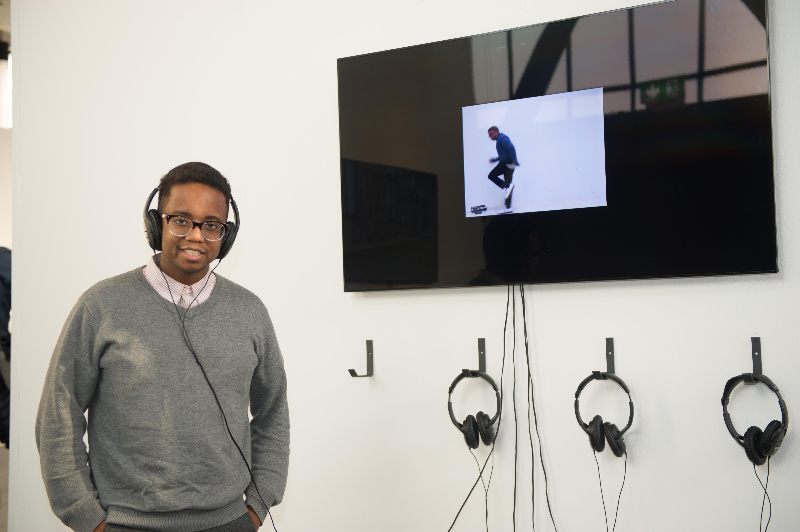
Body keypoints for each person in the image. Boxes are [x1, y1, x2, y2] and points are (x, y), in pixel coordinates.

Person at [36, 163, 290, 532]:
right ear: (156, 224)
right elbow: (58, 414)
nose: (196, 236)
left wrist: (258, 503)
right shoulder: (101, 305)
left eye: (211, 225)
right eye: (181, 220)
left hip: (230, 521)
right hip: (125, 523)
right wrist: (87, 517)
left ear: (226, 235)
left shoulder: (249, 311)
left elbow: (274, 411)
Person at [487, 126, 519, 213]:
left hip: (506, 164)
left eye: (490, 134)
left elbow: (511, 147)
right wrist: (494, 160)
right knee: (508, 187)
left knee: (491, 176)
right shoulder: (499, 139)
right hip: (509, 165)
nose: (490, 137)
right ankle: (508, 208)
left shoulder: (502, 138)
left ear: (496, 132)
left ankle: (506, 186)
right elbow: (503, 155)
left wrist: (515, 160)